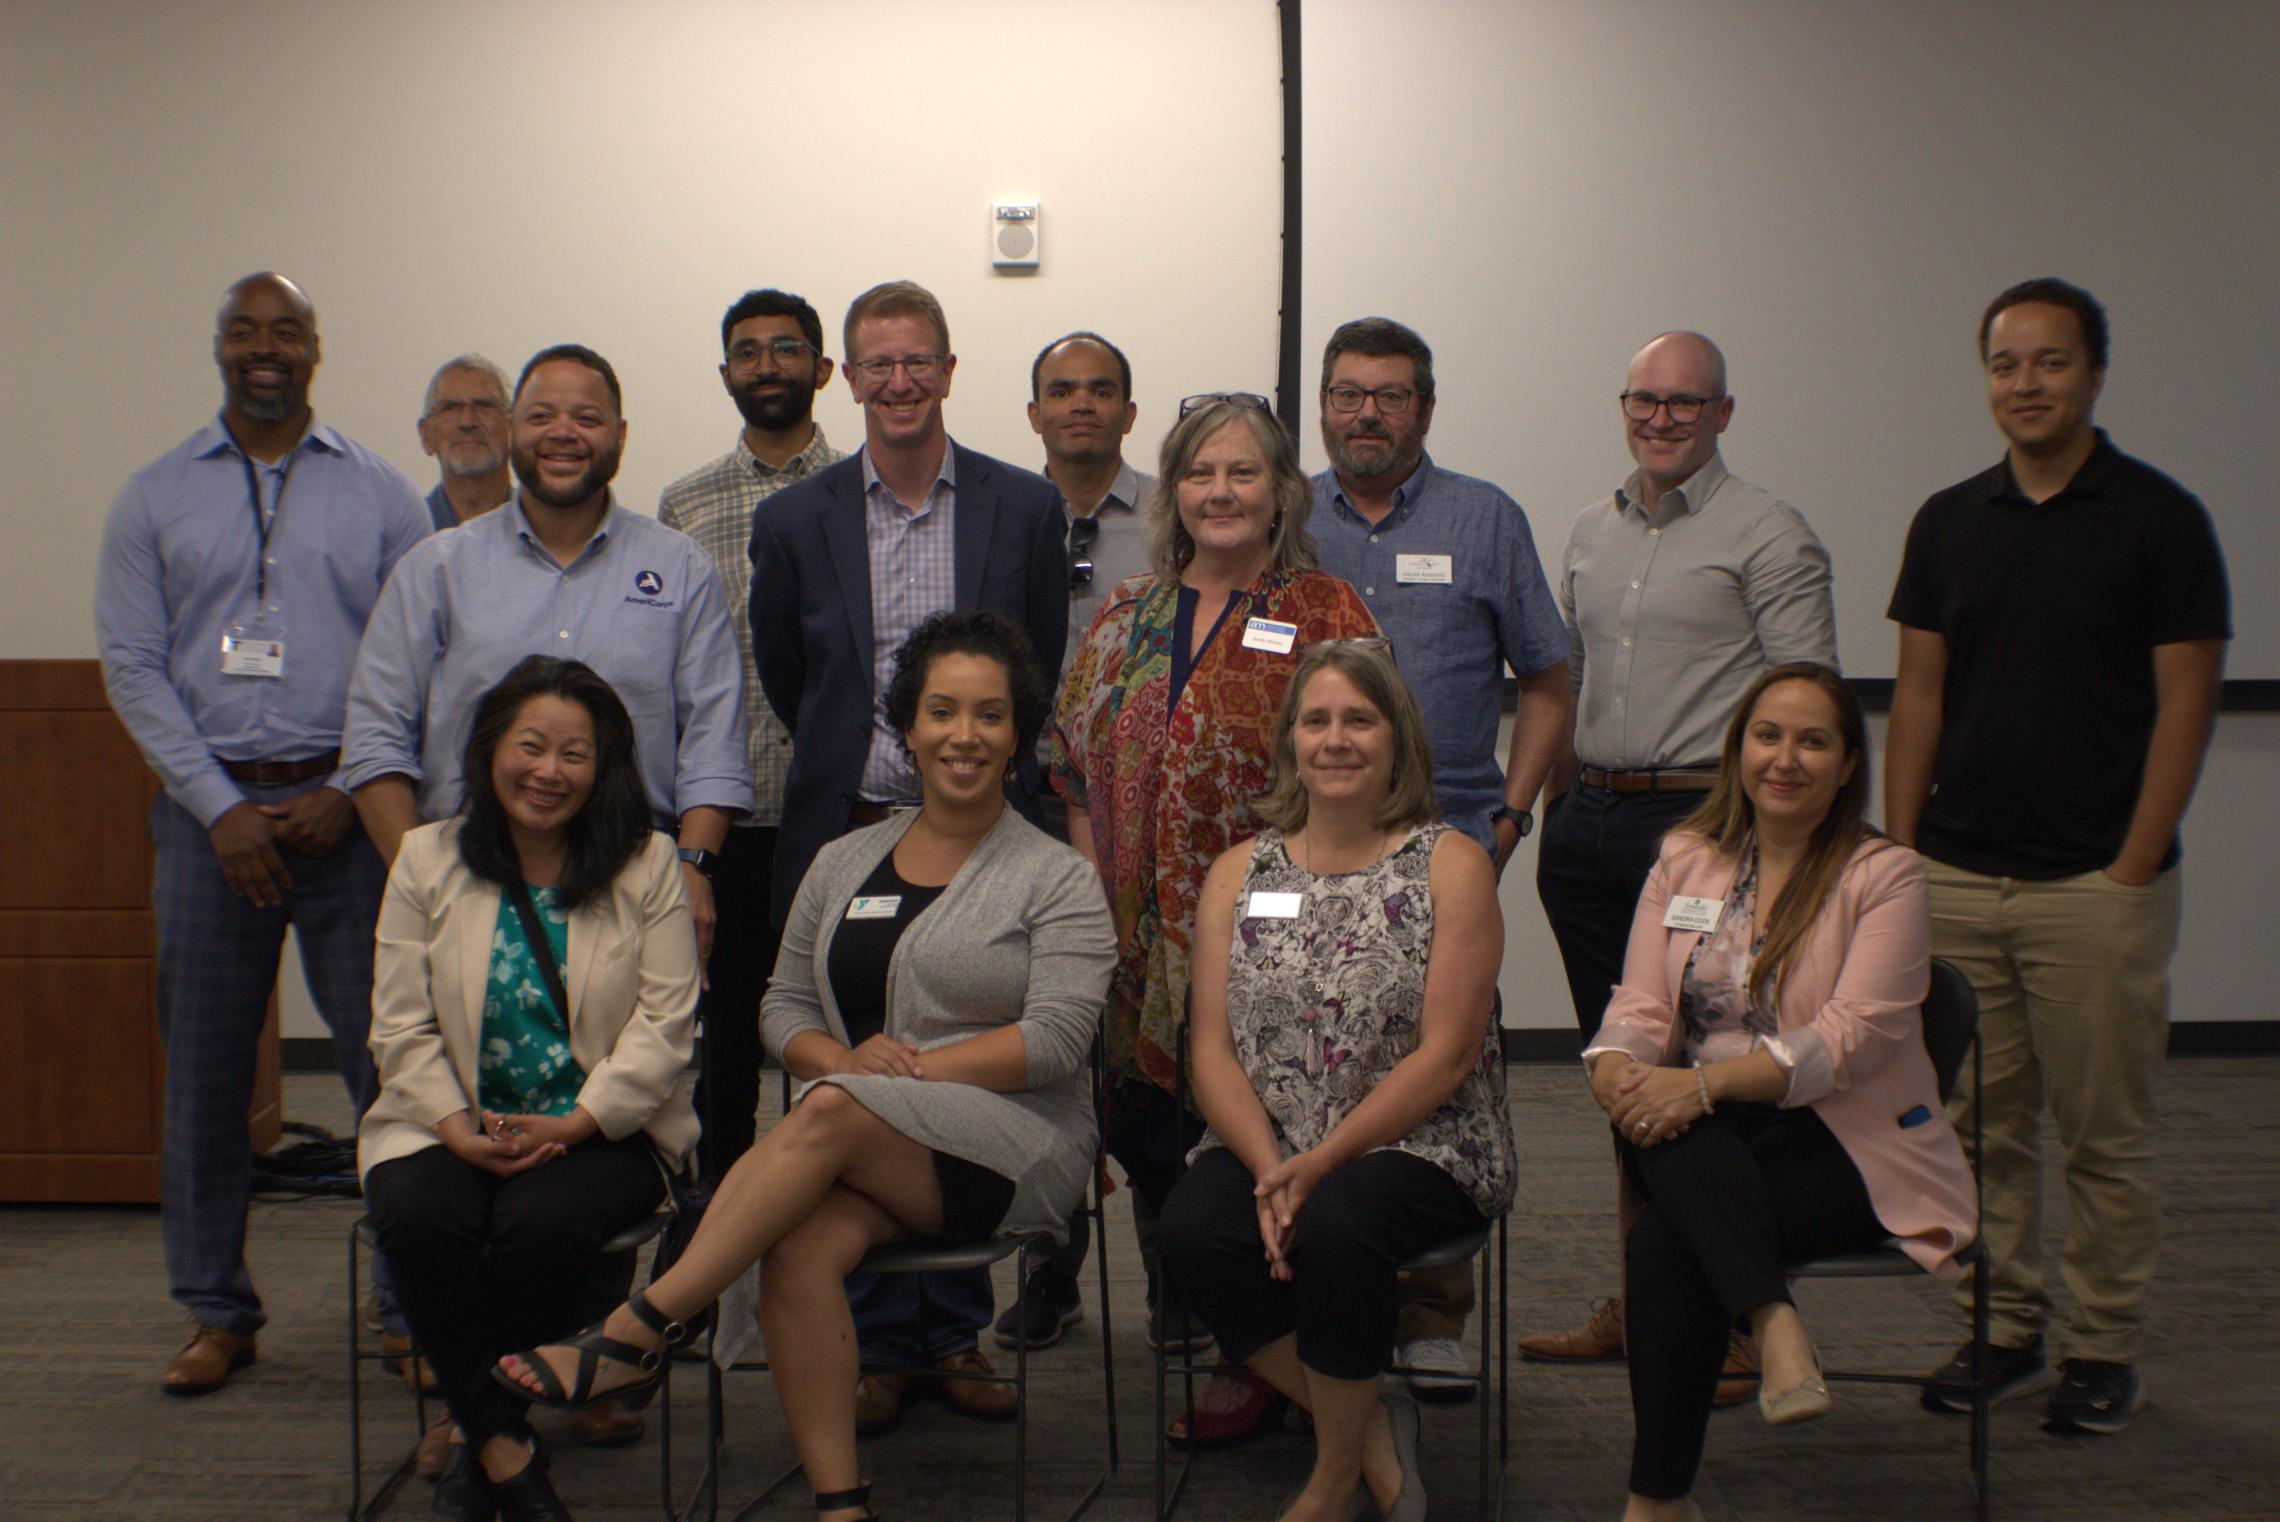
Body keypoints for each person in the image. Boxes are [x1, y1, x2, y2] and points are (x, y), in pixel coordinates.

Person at [495, 611, 1114, 1522]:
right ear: (908, 726)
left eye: (990, 715)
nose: (965, 735)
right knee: (798, 1244)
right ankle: (840, 1502)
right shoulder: (843, 860)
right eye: (942, 711)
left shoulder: (1055, 876)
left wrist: (888, 1081)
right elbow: (779, 1010)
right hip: (869, 1139)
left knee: (822, 1113)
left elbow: (1055, 1042)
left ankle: (643, 1326)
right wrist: (847, 1062)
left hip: (1017, 1144)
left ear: (1017, 732)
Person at [1886, 278, 2229, 1435]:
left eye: (2049, 362)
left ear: (2093, 374)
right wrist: (1904, 858)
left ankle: (2102, 1344)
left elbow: (2187, 706)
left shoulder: (2161, 519)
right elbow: (1920, 695)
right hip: (1962, 876)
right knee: (1977, 1123)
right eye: (2005, 364)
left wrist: (2132, 866)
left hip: (2097, 884)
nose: (2024, 384)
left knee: (2102, 1130)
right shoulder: (1948, 520)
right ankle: (2003, 1326)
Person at [94, 270, 428, 1394]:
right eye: (245, 331)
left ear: (316, 347)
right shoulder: (153, 496)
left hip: (345, 817)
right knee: (200, 1078)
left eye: (285, 329)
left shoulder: (383, 494)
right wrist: (219, 805)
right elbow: (134, 667)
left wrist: (348, 783)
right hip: (208, 822)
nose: (265, 348)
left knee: (389, 1068)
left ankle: (407, 1303)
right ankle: (216, 1311)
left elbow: (409, 659)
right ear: (221, 349)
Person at [750, 280, 1067, 1425]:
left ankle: (951, 1336)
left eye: (915, 362)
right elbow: (795, 676)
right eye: (875, 364)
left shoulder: (1022, 508)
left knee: (958, 1066)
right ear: (846, 377)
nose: (897, 383)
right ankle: (875, 1339)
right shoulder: (794, 520)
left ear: (947, 367)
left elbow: (1035, 667)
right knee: (850, 1068)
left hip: (981, 836)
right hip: (851, 831)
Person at [1049, 394, 1379, 1442]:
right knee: (1156, 1141)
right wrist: (1097, 895)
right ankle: (1212, 1324)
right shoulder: (1124, 613)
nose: (1221, 492)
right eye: (1201, 473)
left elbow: (1369, 769)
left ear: (1281, 490)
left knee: (1261, 1140)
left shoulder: (1325, 608)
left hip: (1276, 937)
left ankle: (1272, 1354)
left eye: (1243, 473)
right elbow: (1071, 768)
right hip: (1135, 942)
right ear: (1174, 491)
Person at [1580, 662, 1975, 1522]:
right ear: (1738, 750)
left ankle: (1656, 1503)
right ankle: (1773, 1322)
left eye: (1812, 740)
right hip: (1711, 1127)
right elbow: (1643, 1004)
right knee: (1671, 1153)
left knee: (1663, 1246)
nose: (1785, 759)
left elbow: (1850, 1039)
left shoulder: (1886, 874)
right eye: (1768, 735)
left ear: (1844, 765)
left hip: (1848, 1137)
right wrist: (1617, 1065)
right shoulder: (1687, 858)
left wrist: (1700, 1087)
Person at [1522, 330, 1837, 1395]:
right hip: (1590, 825)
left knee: (1708, 1074)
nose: (1661, 420)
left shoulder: (1770, 534)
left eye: (1685, 404)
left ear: (1724, 414)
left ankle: (1736, 1318)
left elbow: (1808, 701)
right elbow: (1559, 683)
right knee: (1619, 1074)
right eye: (1644, 401)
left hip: (1704, 830)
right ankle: (1645, 1298)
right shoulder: (1585, 532)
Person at [1158, 639, 1513, 1522]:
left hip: (1424, 1141)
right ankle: (1367, 1427)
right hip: (1268, 1133)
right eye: (1316, 721)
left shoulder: (1450, 863)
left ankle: (1330, 1476)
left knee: (1338, 1224)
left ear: (1398, 740)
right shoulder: (1239, 874)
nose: (1337, 739)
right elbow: (1212, 1050)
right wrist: (1273, 1161)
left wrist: (1311, 1172)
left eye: (1360, 719)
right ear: (1289, 744)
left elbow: (1448, 1055)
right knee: (1194, 1227)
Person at [359, 657, 700, 1522]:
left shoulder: (646, 863)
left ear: (605, 766)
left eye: (575, 754)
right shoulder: (426, 859)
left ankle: (480, 1427)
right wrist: (453, 1126)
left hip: (605, 1129)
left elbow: (665, 1029)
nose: (550, 771)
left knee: (539, 1222)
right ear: (489, 751)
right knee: (417, 1208)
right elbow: (400, 1027)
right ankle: (506, 1447)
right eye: (532, 746)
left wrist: (578, 1124)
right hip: (447, 1121)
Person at [1310, 316, 1570, 1394]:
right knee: (1315, 1059)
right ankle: (1311, 1295)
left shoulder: (1484, 516)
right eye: (1348, 392)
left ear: (1425, 407)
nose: (1368, 412)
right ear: (1321, 404)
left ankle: (1434, 1311)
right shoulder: (1286, 521)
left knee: (1446, 1066)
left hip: (1447, 847)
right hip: (1313, 850)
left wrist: (1508, 818)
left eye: (1392, 394)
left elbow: (1549, 678)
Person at [658, 287, 844, 1186]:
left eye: (786, 349)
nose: (767, 367)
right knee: (725, 1048)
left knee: (840, 1038)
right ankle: (715, 1248)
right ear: (725, 373)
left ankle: (831, 1233)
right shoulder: (685, 504)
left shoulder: (860, 489)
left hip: (838, 812)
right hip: (724, 819)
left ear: (823, 368)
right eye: (748, 352)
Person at [995, 327, 1157, 1352]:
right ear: (1034, 412)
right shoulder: (1006, 518)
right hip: (1022, 810)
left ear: (1131, 412)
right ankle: (1049, 1268)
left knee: (1149, 1042)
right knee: (1042, 1043)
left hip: (1143, 819)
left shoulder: (1178, 515)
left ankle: (1174, 1270)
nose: (1082, 406)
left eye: (1102, 391)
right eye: (1063, 391)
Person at [417, 354, 514, 530]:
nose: (467, 422)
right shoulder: (406, 534)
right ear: (426, 436)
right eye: (450, 408)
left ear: (512, 428)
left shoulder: (545, 531)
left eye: (484, 406)